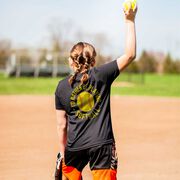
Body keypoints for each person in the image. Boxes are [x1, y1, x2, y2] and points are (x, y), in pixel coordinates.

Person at [54, 4, 137, 180]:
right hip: (102, 145)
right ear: (93, 61)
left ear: (71, 62)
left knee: (70, 173)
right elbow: (129, 55)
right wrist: (130, 20)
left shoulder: (61, 86)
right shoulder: (101, 75)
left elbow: (62, 126)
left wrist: (62, 156)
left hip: (74, 147)